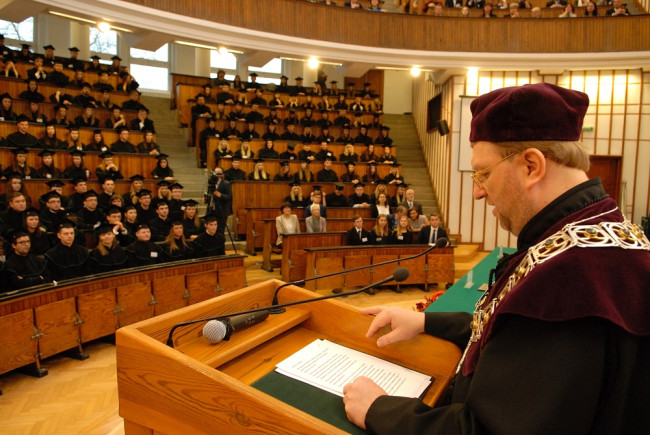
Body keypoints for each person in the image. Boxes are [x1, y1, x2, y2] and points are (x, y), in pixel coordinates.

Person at [342, 82, 650, 433]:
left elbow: (491, 428)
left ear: (532, 165)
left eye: (484, 173)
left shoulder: (568, 275)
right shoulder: (601, 230)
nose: (477, 191)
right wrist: (427, 322)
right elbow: (517, 335)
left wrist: (379, 410)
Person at [205, 167, 232, 234]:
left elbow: (229, 197)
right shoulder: (211, 183)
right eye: (215, 172)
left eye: (218, 172)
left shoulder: (226, 183)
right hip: (211, 210)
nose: (216, 174)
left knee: (220, 230)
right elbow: (210, 194)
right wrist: (206, 199)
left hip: (221, 210)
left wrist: (220, 195)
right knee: (210, 230)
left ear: (222, 174)